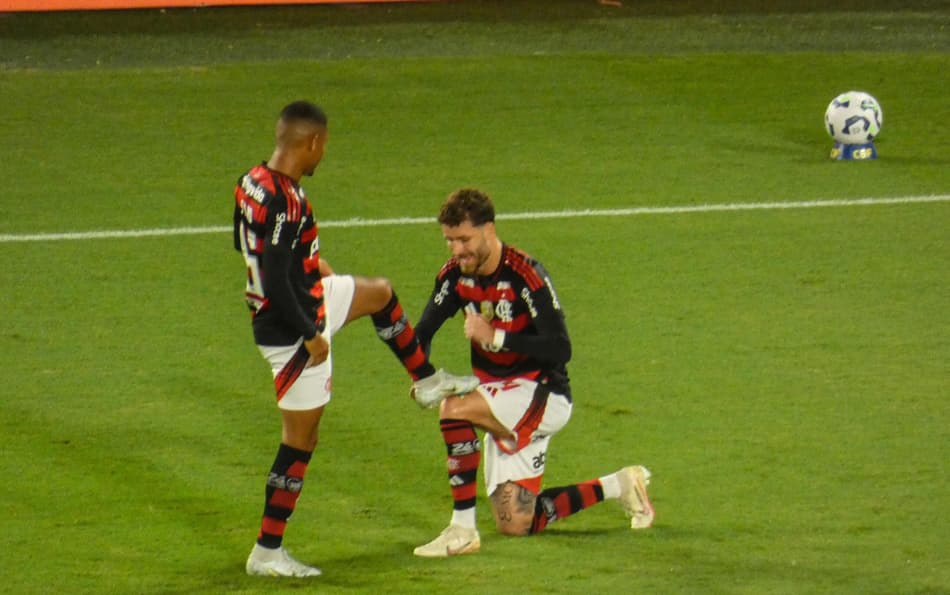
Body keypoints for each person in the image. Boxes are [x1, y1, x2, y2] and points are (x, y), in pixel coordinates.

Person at [232, 100, 478, 577]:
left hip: (308, 296)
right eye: (325, 146)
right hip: (293, 326)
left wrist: (310, 262)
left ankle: (426, 381)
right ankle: (267, 551)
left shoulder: (252, 182)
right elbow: (275, 275)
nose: (324, 155)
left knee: (379, 294)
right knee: (300, 441)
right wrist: (310, 336)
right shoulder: (287, 199)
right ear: (312, 142)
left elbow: (250, 247)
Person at [411, 188, 655, 557]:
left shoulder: (526, 275)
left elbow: (561, 347)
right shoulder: (454, 276)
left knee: (455, 411)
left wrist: (496, 335)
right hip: (500, 397)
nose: (457, 250)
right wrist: (422, 377)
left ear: (488, 230)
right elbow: (422, 335)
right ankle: (621, 485)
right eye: (449, 240)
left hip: (542, 393)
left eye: (464, 239)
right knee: (516, 521)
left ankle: (461, 530)